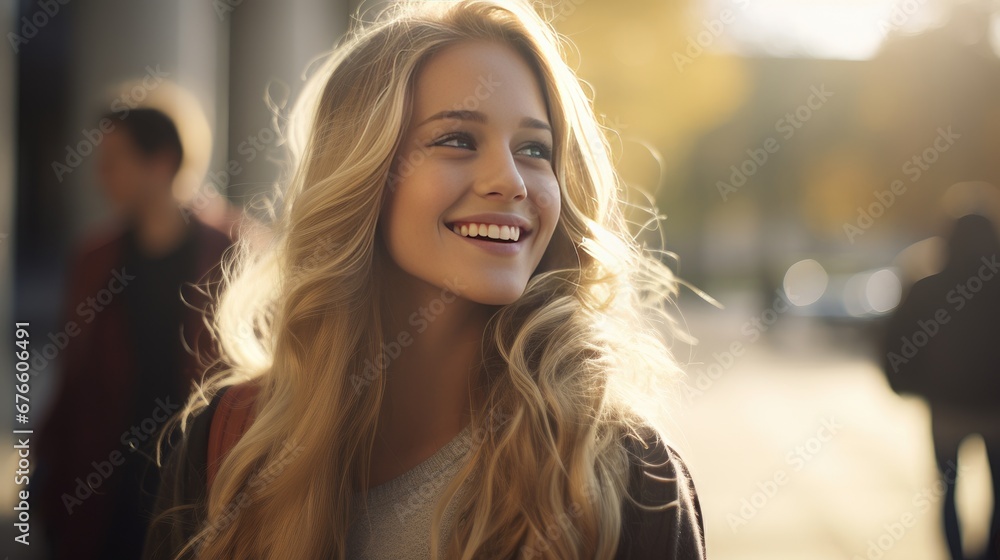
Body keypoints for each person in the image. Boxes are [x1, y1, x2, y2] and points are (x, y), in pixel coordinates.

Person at [142, 1, 706, 558]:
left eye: (535, 149)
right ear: (363, 173)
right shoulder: (228, 449)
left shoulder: (625, 478)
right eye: (457, 139)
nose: (510, 181)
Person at [34, 108, 233, 559]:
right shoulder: (94, 260)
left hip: (200, 483)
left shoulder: (233, 253)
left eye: (114, 160)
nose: (101, 175)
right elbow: (73, 381)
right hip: (107, 484)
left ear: (160, 161)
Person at [883, 213, 1000, 560]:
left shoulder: (928, 288)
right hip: (996, 407)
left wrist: (910, 385)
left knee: (948, 491)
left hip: (947, 409)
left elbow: (898, 343)